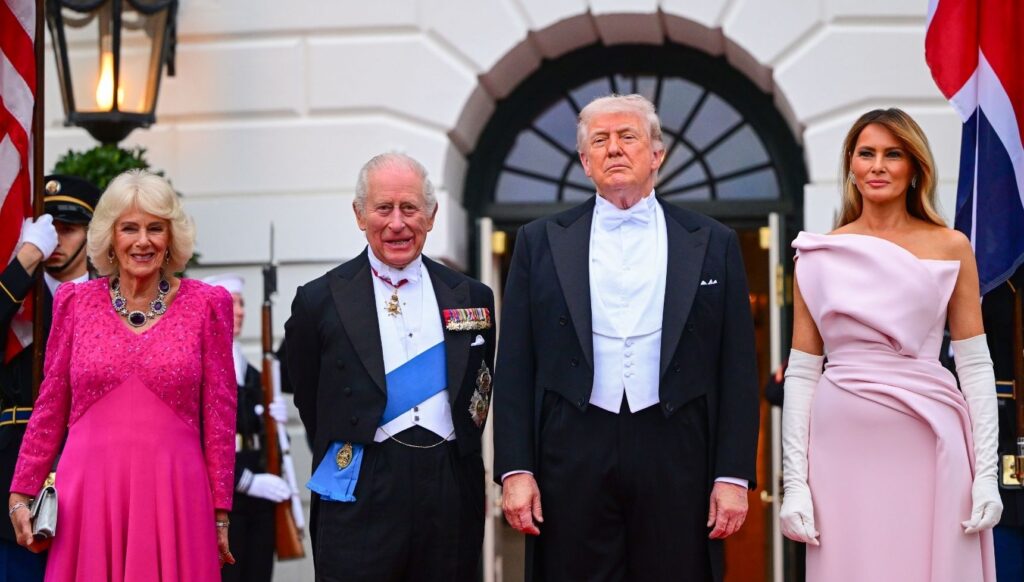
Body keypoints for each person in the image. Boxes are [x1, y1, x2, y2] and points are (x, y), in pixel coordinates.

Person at [493, 94, 760, 581]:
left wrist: (732, 474)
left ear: (656, 154)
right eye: (601, 140)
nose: (614, 148)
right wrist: (515, 470)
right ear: (584, 160)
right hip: (570, 448)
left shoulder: (713, 240)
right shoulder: (538, 240)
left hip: (678, 446)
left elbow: (738, 366)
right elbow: (514, 364)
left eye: (627, 136)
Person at [781, 108, 1000, 581]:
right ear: (852, 167)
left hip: (932, 438)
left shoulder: (951, 246)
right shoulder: (817, 253)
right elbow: (801, 372)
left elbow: (976, 366)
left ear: (914, 166)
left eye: (892, 154)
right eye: (867, 153)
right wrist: (794, 482)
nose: (878, 165)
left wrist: (987, 475)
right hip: (841, 449)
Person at [7, 170, 237, 581]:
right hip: (88, 495)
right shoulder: (75, 303)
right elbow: (50, 405)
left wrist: (221, 514)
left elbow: (220, 418)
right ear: (111, 237)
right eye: (129, 228)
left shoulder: (207, 304)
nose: (142, 241)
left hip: (174, 494)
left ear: (171, 238)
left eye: (155, 228)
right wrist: (21, 492)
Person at [284, 152, 495, 581]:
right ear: (360, 215)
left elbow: (481, 384)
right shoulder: (318, 300)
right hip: (363, 483)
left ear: (431, 216)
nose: (397, 223)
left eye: (410, 208)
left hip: (450, 483)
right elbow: (308, 394)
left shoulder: (473, 295)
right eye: (384, 208)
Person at [0, 175, 100, 582]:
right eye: (49, 227)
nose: (56, 238)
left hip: (92, 472)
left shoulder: (112, 296)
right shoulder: (15, 292)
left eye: (69, 228)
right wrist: (21, 265)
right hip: (13, 474)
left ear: (93, 233)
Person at [203, 274, 291, 582]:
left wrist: (275, 425)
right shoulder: (201, 366)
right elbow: (201, 437)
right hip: (224, 497)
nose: (238, 311)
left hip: (260, 497)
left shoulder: (252, 372)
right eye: (230, 303)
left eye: (241, 303)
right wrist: (246, 481)